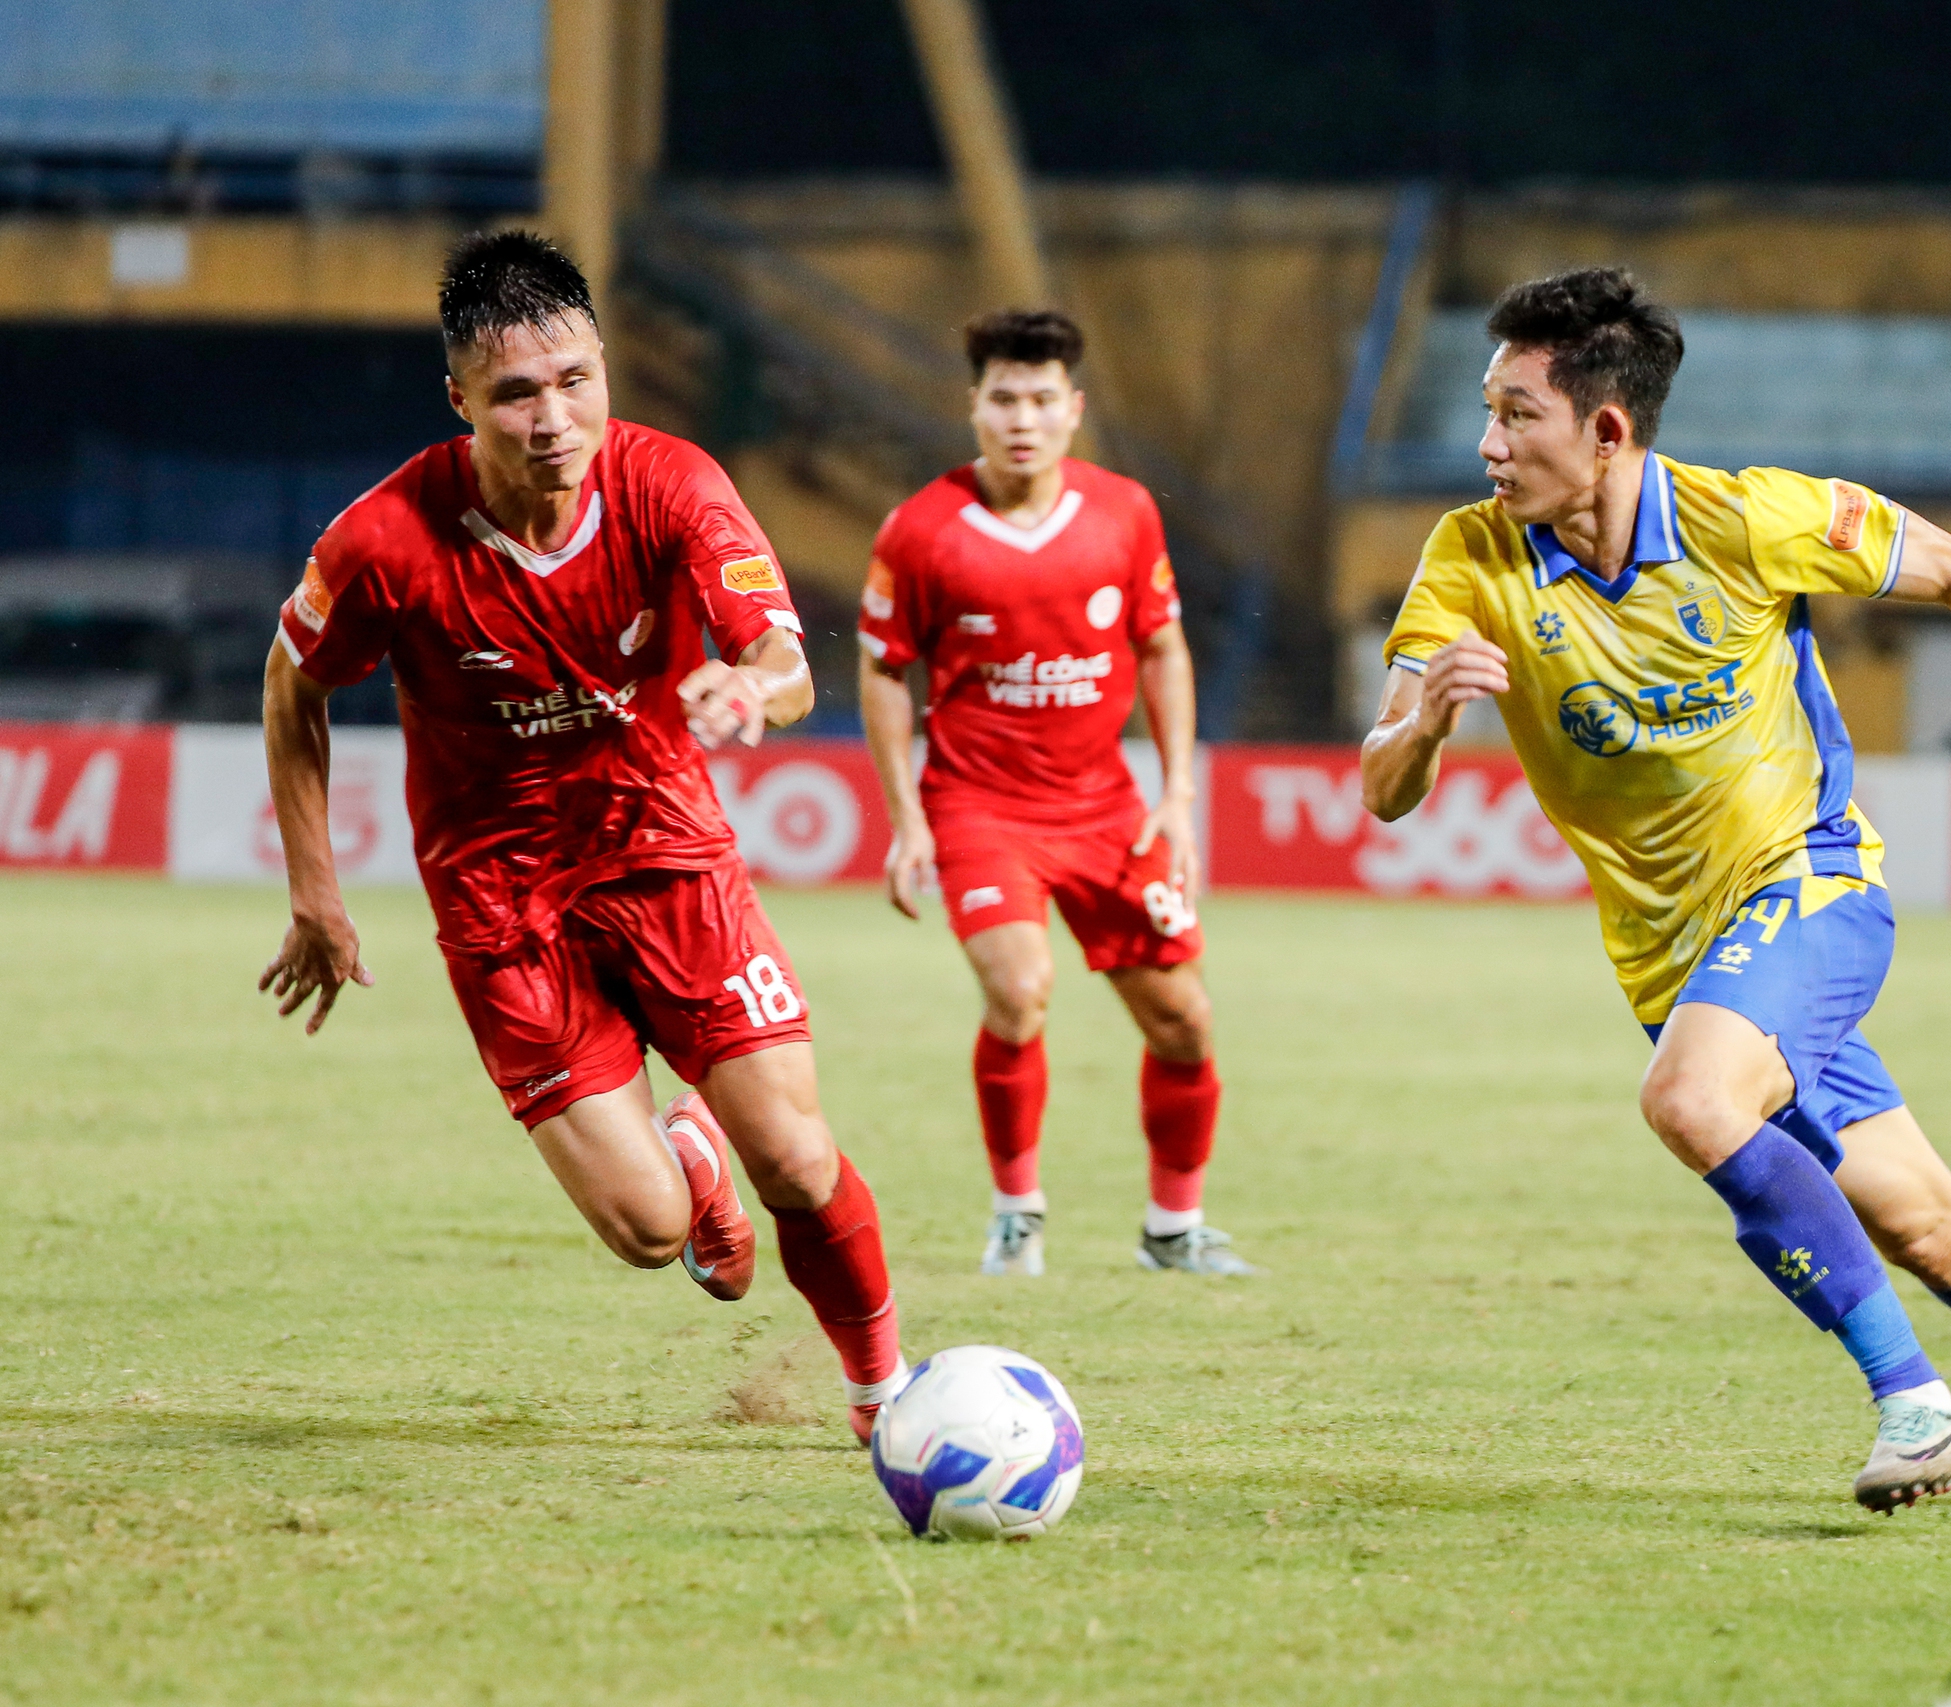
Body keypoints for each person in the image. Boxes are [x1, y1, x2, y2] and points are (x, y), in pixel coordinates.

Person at [1363, 267, 1951, 1514]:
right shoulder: (1470, 552)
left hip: (1809, 887)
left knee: (1689, 1101)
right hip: (1681, 967)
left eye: (1516, 415)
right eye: (1487, 413)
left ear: (1606, 429)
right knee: (1928, 1230)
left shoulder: (1746, 519)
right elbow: (1381, 784)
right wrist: (1426, 728)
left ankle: (1915, 1406)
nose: (1487, 445)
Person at [258, 230, 906, 1441]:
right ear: (460, 400)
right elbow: (293, 685)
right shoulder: (386, 541)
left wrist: (749, 688)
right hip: (503, 909)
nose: (554, 417)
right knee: (650, 1233)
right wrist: (316, 894)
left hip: (668, 860)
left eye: (575, 380)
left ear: (604, 368)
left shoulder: (673, 485)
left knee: (795, 1161)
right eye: (516, 392)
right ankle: (686, 1165)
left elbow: (782, 659)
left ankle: (886, 1398)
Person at [857, 309, 1251, 1279]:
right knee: (1020, 987)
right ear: (974, 407)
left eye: (1041, 399)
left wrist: (1178, 795)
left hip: (1106, 807)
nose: (1022, 419)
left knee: (1185, 1020)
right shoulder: (920, 530)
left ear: (1074, 408)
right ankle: (1016, 1215)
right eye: (1004, 399)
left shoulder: (1125, 512)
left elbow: (1161, 647)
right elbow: (883, 671)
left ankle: (1173, 1231)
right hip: (979, 808)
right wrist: (906, 820)